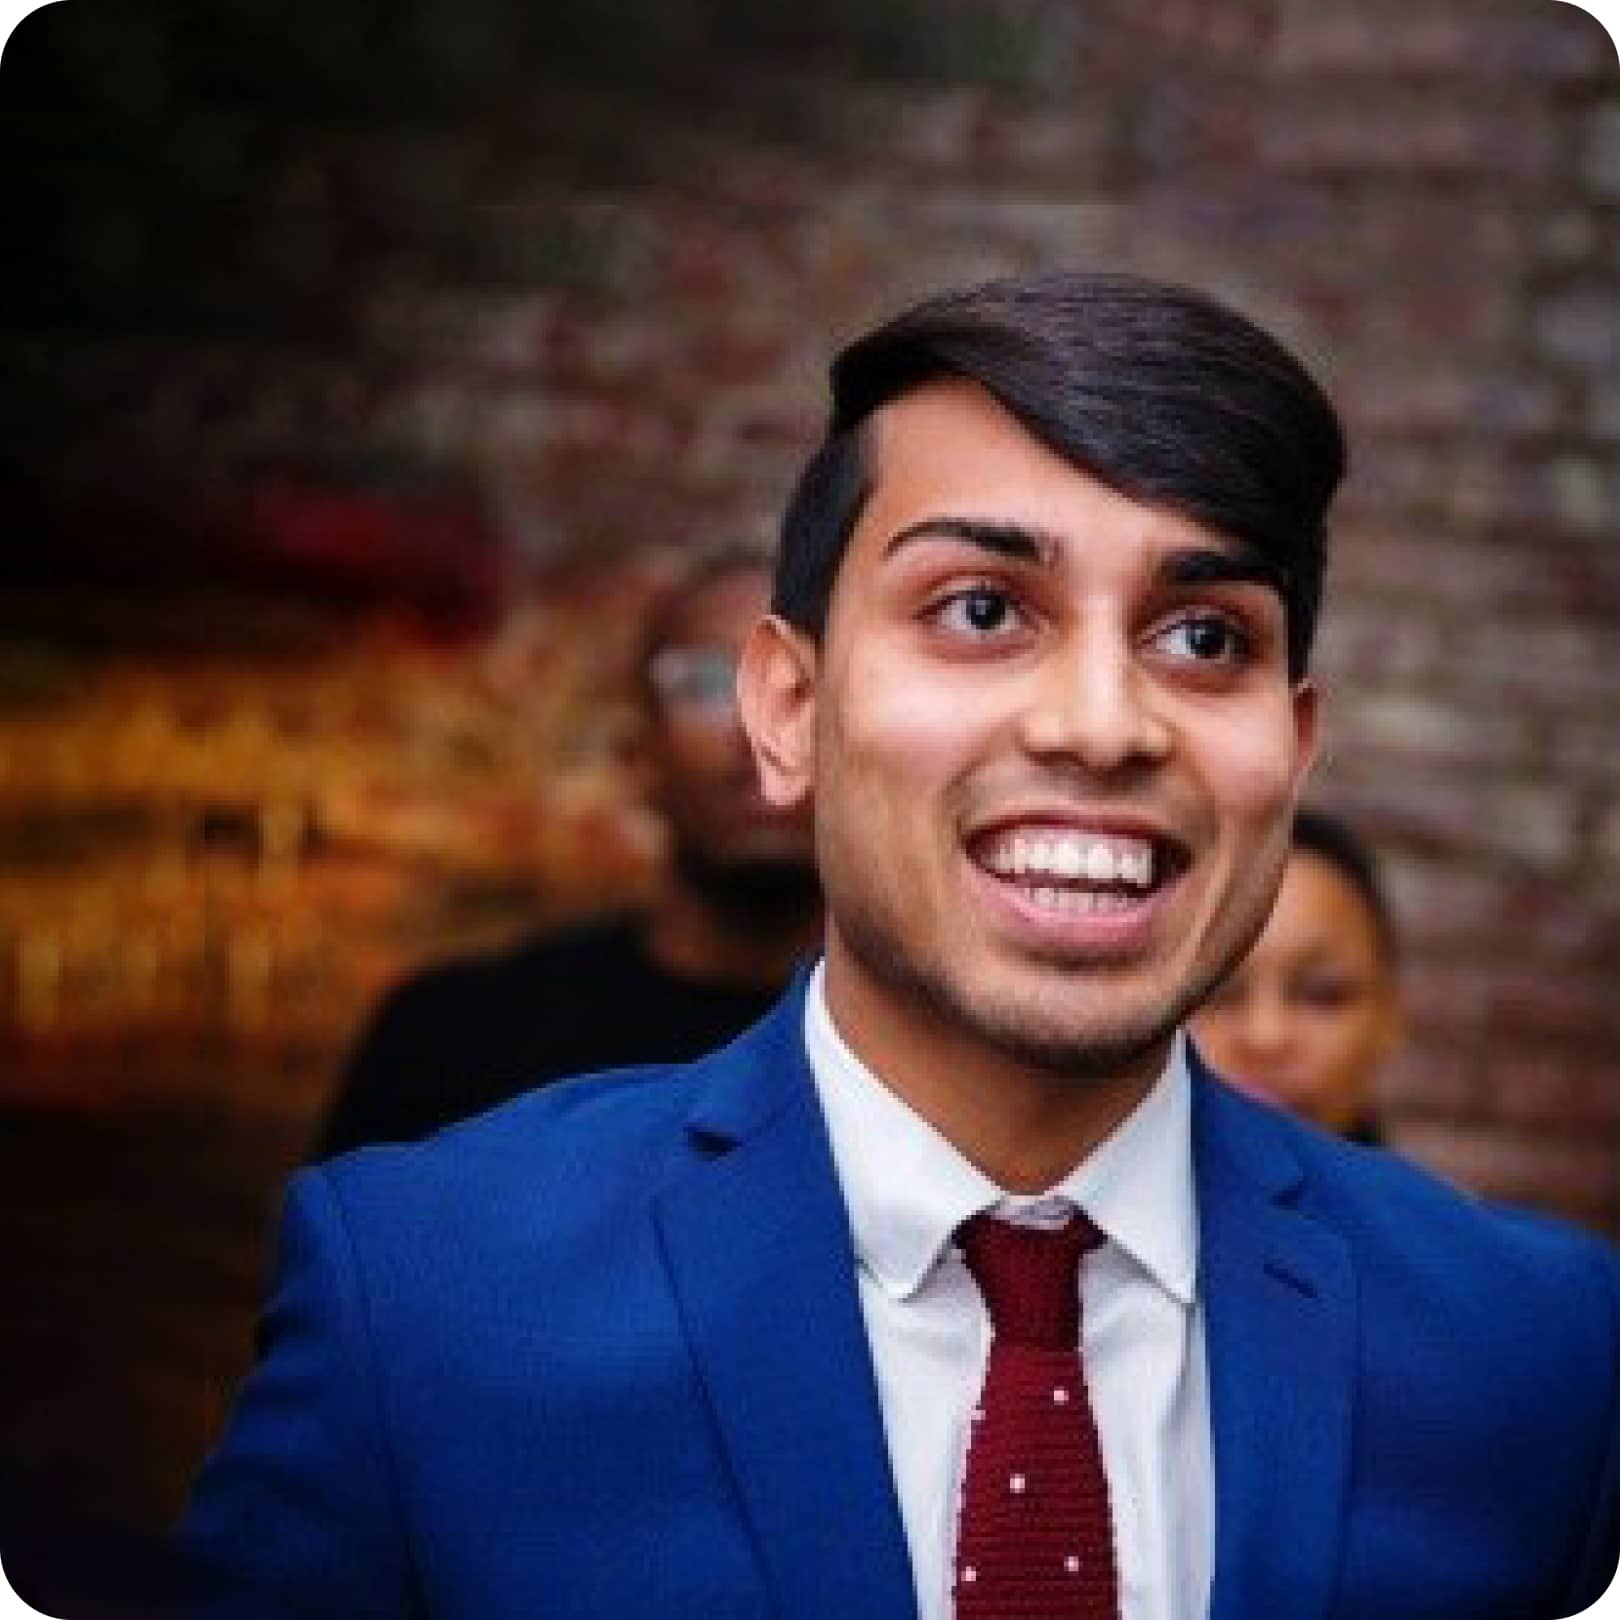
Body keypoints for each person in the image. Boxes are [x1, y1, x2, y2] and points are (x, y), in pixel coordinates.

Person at [179, 271, 1619, 1620]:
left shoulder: (1535, 1358)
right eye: (983, 611)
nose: (1103, 724)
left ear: (1292, 751)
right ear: (789, 710)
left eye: (1202, 640)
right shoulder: (428, 1303)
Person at [313, 545, 822, 1155]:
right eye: (708, 682)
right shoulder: (453, 1037)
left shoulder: (936, 1065)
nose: (756, 729)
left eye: (805, 684)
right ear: (638, 756)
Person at [1190, 807, 1402, 1143]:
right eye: (1215, 992)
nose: (1267, 1036)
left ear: (1390, 1017)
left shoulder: (1432, 1198)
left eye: (1321, 994)